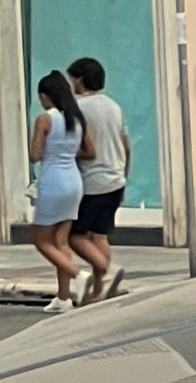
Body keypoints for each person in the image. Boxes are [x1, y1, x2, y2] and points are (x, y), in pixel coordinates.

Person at [27, 69, 94, 313]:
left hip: (52, 182)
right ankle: (63, 297)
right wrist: (67, 151)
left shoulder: (45, 119)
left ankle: (78, 275)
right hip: (74, 181)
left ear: (47, 95)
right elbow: (90, 151)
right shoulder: (77, 118)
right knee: (60, 240)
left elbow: (34, 155)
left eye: (41, 97)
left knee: (41, 240)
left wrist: (50, 151)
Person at [66, 56, 130, 305]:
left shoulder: (78, 108)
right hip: (115, 178)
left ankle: (106, 269)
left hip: (92, 181)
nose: (71, 84)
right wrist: (124, 175)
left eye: (73, 79)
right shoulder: (114, 106)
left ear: (81, 80)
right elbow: (126, 146)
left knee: (74, 235)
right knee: (100, 234)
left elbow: (80, 146)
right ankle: (100, 289)